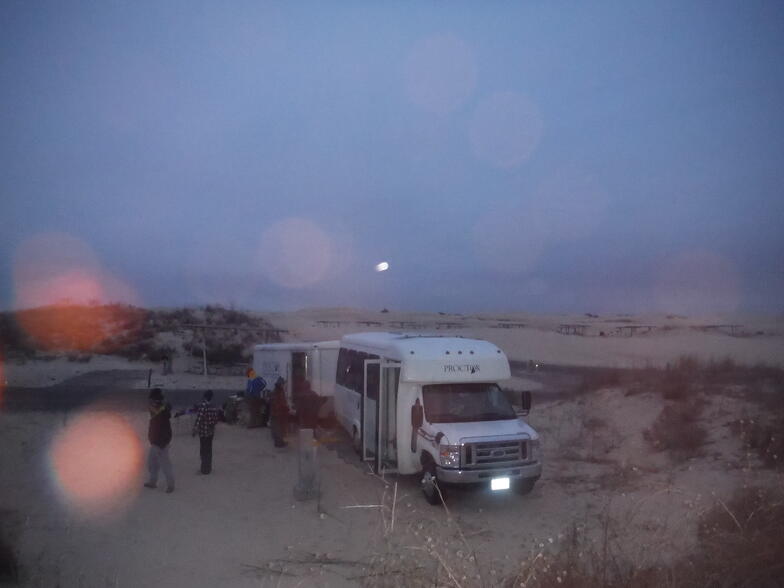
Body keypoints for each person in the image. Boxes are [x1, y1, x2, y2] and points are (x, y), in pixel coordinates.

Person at [144, 388, 175, 493]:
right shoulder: (160, 409)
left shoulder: (159, 411)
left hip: (160, 442)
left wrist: (161, 443)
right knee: (152, 463)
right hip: (156, 441)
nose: (150, 402)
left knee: (165, 464)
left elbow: (160, 427)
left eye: (151, 400)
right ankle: (153, 481)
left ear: (155, 400)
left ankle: (170, 485)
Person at [193, 390, 220, 475]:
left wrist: (195, 429)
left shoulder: (203, 405)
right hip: (210, 432)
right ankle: (208, 468)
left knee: (203, 450)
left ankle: (204, 470)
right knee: (209, 450)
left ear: (204, 396)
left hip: (203, 432)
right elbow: (216, 420)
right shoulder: (213, 406)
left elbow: (199, 418)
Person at [269, 378, 289, 448]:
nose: (284, 385)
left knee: (278, 429)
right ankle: (279, 443)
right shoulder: (278, 392)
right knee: (278, 429)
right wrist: (286, 408)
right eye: (283, 384)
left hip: (277, 413)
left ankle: (280, 442)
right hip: (277, 414)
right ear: (280, 384)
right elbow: (279, 404)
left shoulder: (278, 391)